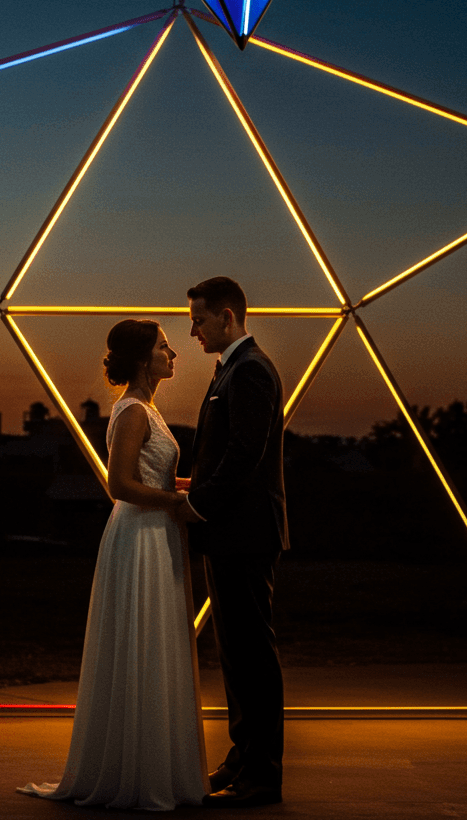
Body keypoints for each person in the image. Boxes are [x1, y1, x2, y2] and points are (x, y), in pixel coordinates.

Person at [17, 320, 208, 810]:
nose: (174, 354)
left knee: (155, 640)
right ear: (144, 358)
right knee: (142, 639)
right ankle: (134, 770)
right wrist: (173, 501)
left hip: (157, 532)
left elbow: (154, 471)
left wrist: (190, 488)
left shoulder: (148, 410)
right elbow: (119, 486)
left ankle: (151, 763)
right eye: (165, 347)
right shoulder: (132, 413)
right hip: (140, 535)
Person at [180, 277, 288, 809]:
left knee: (252, 655)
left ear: (227, 316)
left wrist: (198, 505)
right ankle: (244, 758)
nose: (192, 330)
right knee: (235, 653)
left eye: (199, 320)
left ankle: (262, 777)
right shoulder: (232, 369)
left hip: (244, 533)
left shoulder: (250, 372)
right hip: (229, 533)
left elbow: (246, 453)